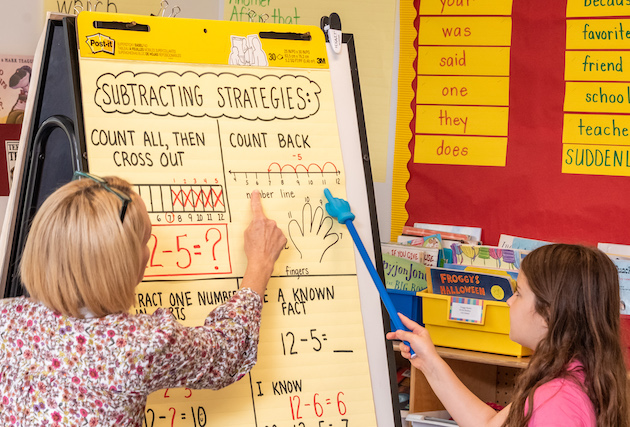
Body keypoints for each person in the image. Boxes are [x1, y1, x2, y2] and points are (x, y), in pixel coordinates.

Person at [0, 173, 287, 426]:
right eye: (144, 241)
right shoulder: (139, 345)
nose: (150, 253)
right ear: (118, 264)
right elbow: (229, 351)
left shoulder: (6, 318)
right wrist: (260, 263)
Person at [388, 243, 629, 427]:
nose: (509, 301)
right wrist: (430, 363)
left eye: (519, 293)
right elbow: (489, 424)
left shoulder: (556, 402)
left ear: (548, 313)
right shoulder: (572, 376)